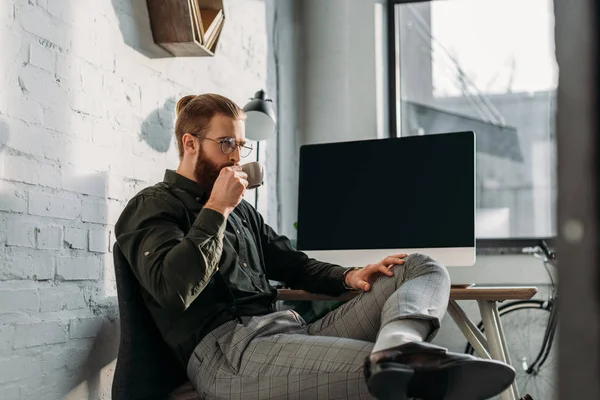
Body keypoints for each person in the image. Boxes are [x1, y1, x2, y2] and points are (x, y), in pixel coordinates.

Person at [114, 93, 516, 400]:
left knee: (418, 266)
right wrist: (216, 208)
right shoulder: (153, 206)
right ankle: (398, 363)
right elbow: (173, 289)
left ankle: (399, 347)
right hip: (228, 355)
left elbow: (293, 264)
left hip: (287, 331)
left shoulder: (242, 213)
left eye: (241, 145)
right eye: (226, 144)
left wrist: (350, 275)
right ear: (190, 143)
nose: (237, 156)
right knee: (398, 385)